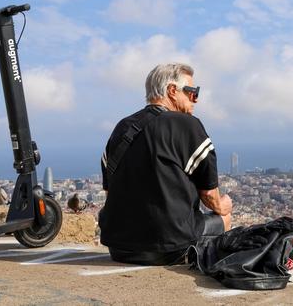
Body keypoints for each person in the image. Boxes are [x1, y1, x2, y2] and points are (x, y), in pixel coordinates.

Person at [99, 63, 233, 265]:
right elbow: (209, 196)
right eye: (192, 92)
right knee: (225, 218)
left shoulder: (122, 128)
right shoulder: (187, 125)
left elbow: (111, 193)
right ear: (172, 91)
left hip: (119, 248)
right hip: (171, 248)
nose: (195, 99)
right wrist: (223, 205)